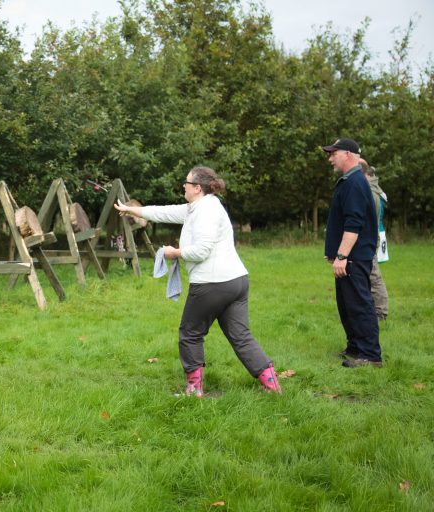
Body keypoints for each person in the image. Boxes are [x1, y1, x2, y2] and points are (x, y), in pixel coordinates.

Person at [114, 166, 280, 396]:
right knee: (240, 336)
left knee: (190, 333)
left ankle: (194, 390)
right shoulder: (199, 207)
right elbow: (166, 212)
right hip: (236, 281)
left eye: (187, 182)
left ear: (197, 188)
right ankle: (272, 385)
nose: (183, 185)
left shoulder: (206, 211)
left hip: (213, 283)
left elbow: (201, 250)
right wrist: (132, 210)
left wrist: (175, 253)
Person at [321, 139, 382, 368]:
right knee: (347, 304)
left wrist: (342, 256)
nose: (330, 158)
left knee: (359, 304)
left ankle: (370, 355)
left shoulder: (355, 182)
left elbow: (353, 224)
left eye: (333, 154)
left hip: (354, 257)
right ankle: (355, 347)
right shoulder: (350, 181)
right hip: (350, 256)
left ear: (347, 154)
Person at [359, 159, 389, 320]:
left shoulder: (371, 191)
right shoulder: (373, 189)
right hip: (375, 233)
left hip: (372, 235)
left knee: (373, 274)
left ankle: (380, 312)